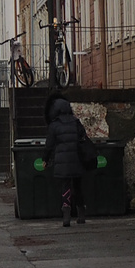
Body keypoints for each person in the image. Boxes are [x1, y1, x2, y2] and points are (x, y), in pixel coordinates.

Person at [44, 96, 89, 227]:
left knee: (65, 187)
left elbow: (49, 145)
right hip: (77, 159)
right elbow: (83, 138)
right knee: (78, 187)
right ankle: (81, 214)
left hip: (62, 161)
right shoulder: (76, 122)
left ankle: (66, 216)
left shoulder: (54, 125)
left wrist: (45, 159)